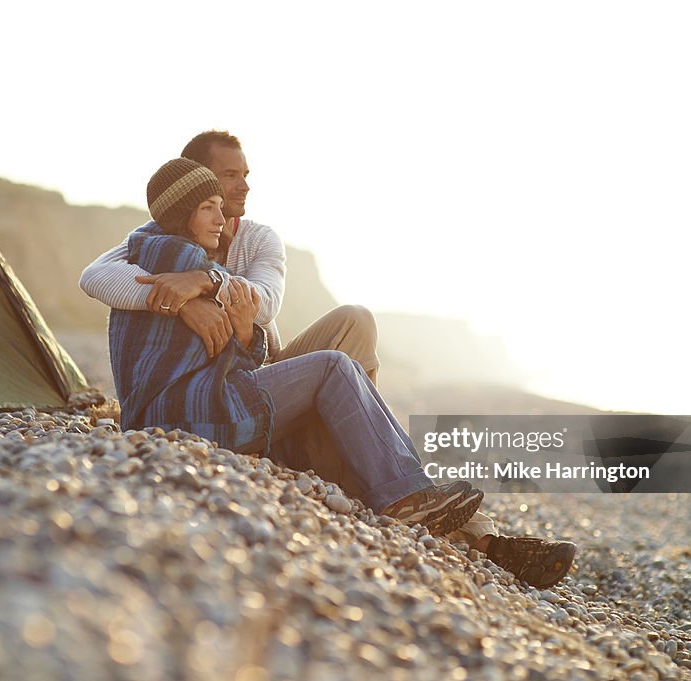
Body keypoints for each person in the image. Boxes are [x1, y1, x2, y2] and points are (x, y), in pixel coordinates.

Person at [84, 137, 577, 587]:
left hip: (235, 375)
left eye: (242, 176)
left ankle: (415, 493)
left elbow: (265, 303)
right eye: (226, 179)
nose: (243, 186)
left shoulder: (247, 240)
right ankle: (436, 512)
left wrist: (208, 285)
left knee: (354, 325)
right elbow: (96, 276)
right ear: (190, 188)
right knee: (337, 370)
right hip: (212, 398)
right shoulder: (163, 245)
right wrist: (176, 297)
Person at [110, 157, 484, 538]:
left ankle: (405, 486)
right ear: (179, 213)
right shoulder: (183, 260)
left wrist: (239, 328)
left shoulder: (145, 252)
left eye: (220, 208)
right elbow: (229, 360)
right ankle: (404, 495)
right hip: (187, 413)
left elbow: (209, 349)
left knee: (338, 365)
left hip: (169, 411)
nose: (220, 220)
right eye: (208, 208)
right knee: (333, 367)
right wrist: (225, 301)